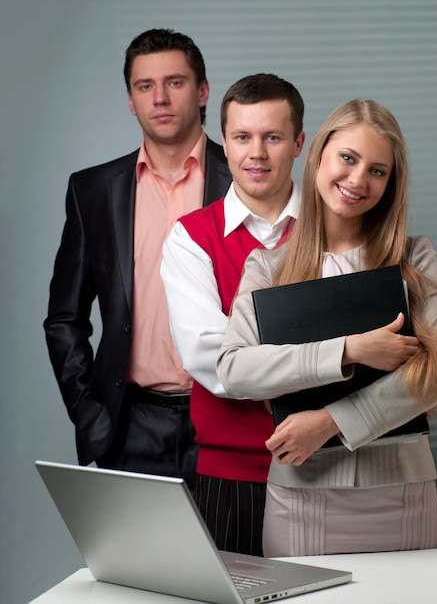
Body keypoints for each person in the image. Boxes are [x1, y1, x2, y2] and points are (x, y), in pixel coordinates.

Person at [217, 99, 437, 556]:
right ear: (317, 155)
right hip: (300, 497)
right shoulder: (267, 266)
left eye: (378, 171)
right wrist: (347, 351)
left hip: (403, 495)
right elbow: (233, 369)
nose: (357, 180)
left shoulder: (415, 258)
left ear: (391, 184)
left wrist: (330, 422)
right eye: (348, 159)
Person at [44, 29, 231, 491]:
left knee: (237, 562)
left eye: (176, 82)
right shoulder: (93, 191)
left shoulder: (243, 181)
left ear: (203, 90)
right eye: (145, 86)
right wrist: (91, 413)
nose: (160, 98)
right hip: (130, 426)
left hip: (228, 419)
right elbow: (64, 318)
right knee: (139, 566)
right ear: (130, 100)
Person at [161, 73, 305, 555]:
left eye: (273, 137)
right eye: (243, 137)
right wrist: (325, 363)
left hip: (334, 469)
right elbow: (213, 358)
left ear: (299, 143)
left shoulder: (339, 229)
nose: (257, 153)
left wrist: (261, 365)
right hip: (232, 475)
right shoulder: (190, 238)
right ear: (226, 142)